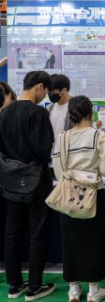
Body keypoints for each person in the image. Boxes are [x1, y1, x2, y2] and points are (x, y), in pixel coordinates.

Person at [0, 71, 55, 301]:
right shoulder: (39, 112)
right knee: (37, 233)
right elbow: (44, 150)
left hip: (9, 178)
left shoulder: (4, 113)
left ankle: (14, 285)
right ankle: (34, 286)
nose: (45, 96)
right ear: (39, 87)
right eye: (45, 91)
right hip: (35, 179)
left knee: (12, 233)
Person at [51, 96, 105, 302]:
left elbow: (58, 171)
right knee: (93, 241)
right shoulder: (99, 136)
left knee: (70, 240)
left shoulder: (62, 137)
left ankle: (73, 289)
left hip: (69, 195)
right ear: (90, 113)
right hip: (94, 194)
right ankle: (94, 291)